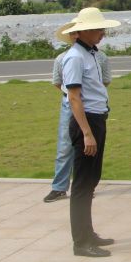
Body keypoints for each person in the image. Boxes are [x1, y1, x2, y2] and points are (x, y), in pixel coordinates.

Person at [59, 7, 121, 258]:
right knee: (83, 184)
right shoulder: (74, 57)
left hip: (97, 118)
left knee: (91, 180)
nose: (102, 33)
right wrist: (86, 133)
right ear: (82, 31)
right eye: (97, 29)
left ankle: (88, 233)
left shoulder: (91, 54)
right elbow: (74, 98)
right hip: (87, 122)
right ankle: (81, 242)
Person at [44, 23, 111, 203]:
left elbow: (104, 81)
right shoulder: (66, 58)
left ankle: (88, 185)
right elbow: (59, 83)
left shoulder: (99, 57)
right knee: (65, 146)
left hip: (93, 107)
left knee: (91, 152)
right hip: (72, 103)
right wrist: (73, 97)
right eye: (72, 34)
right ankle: (60, 186)